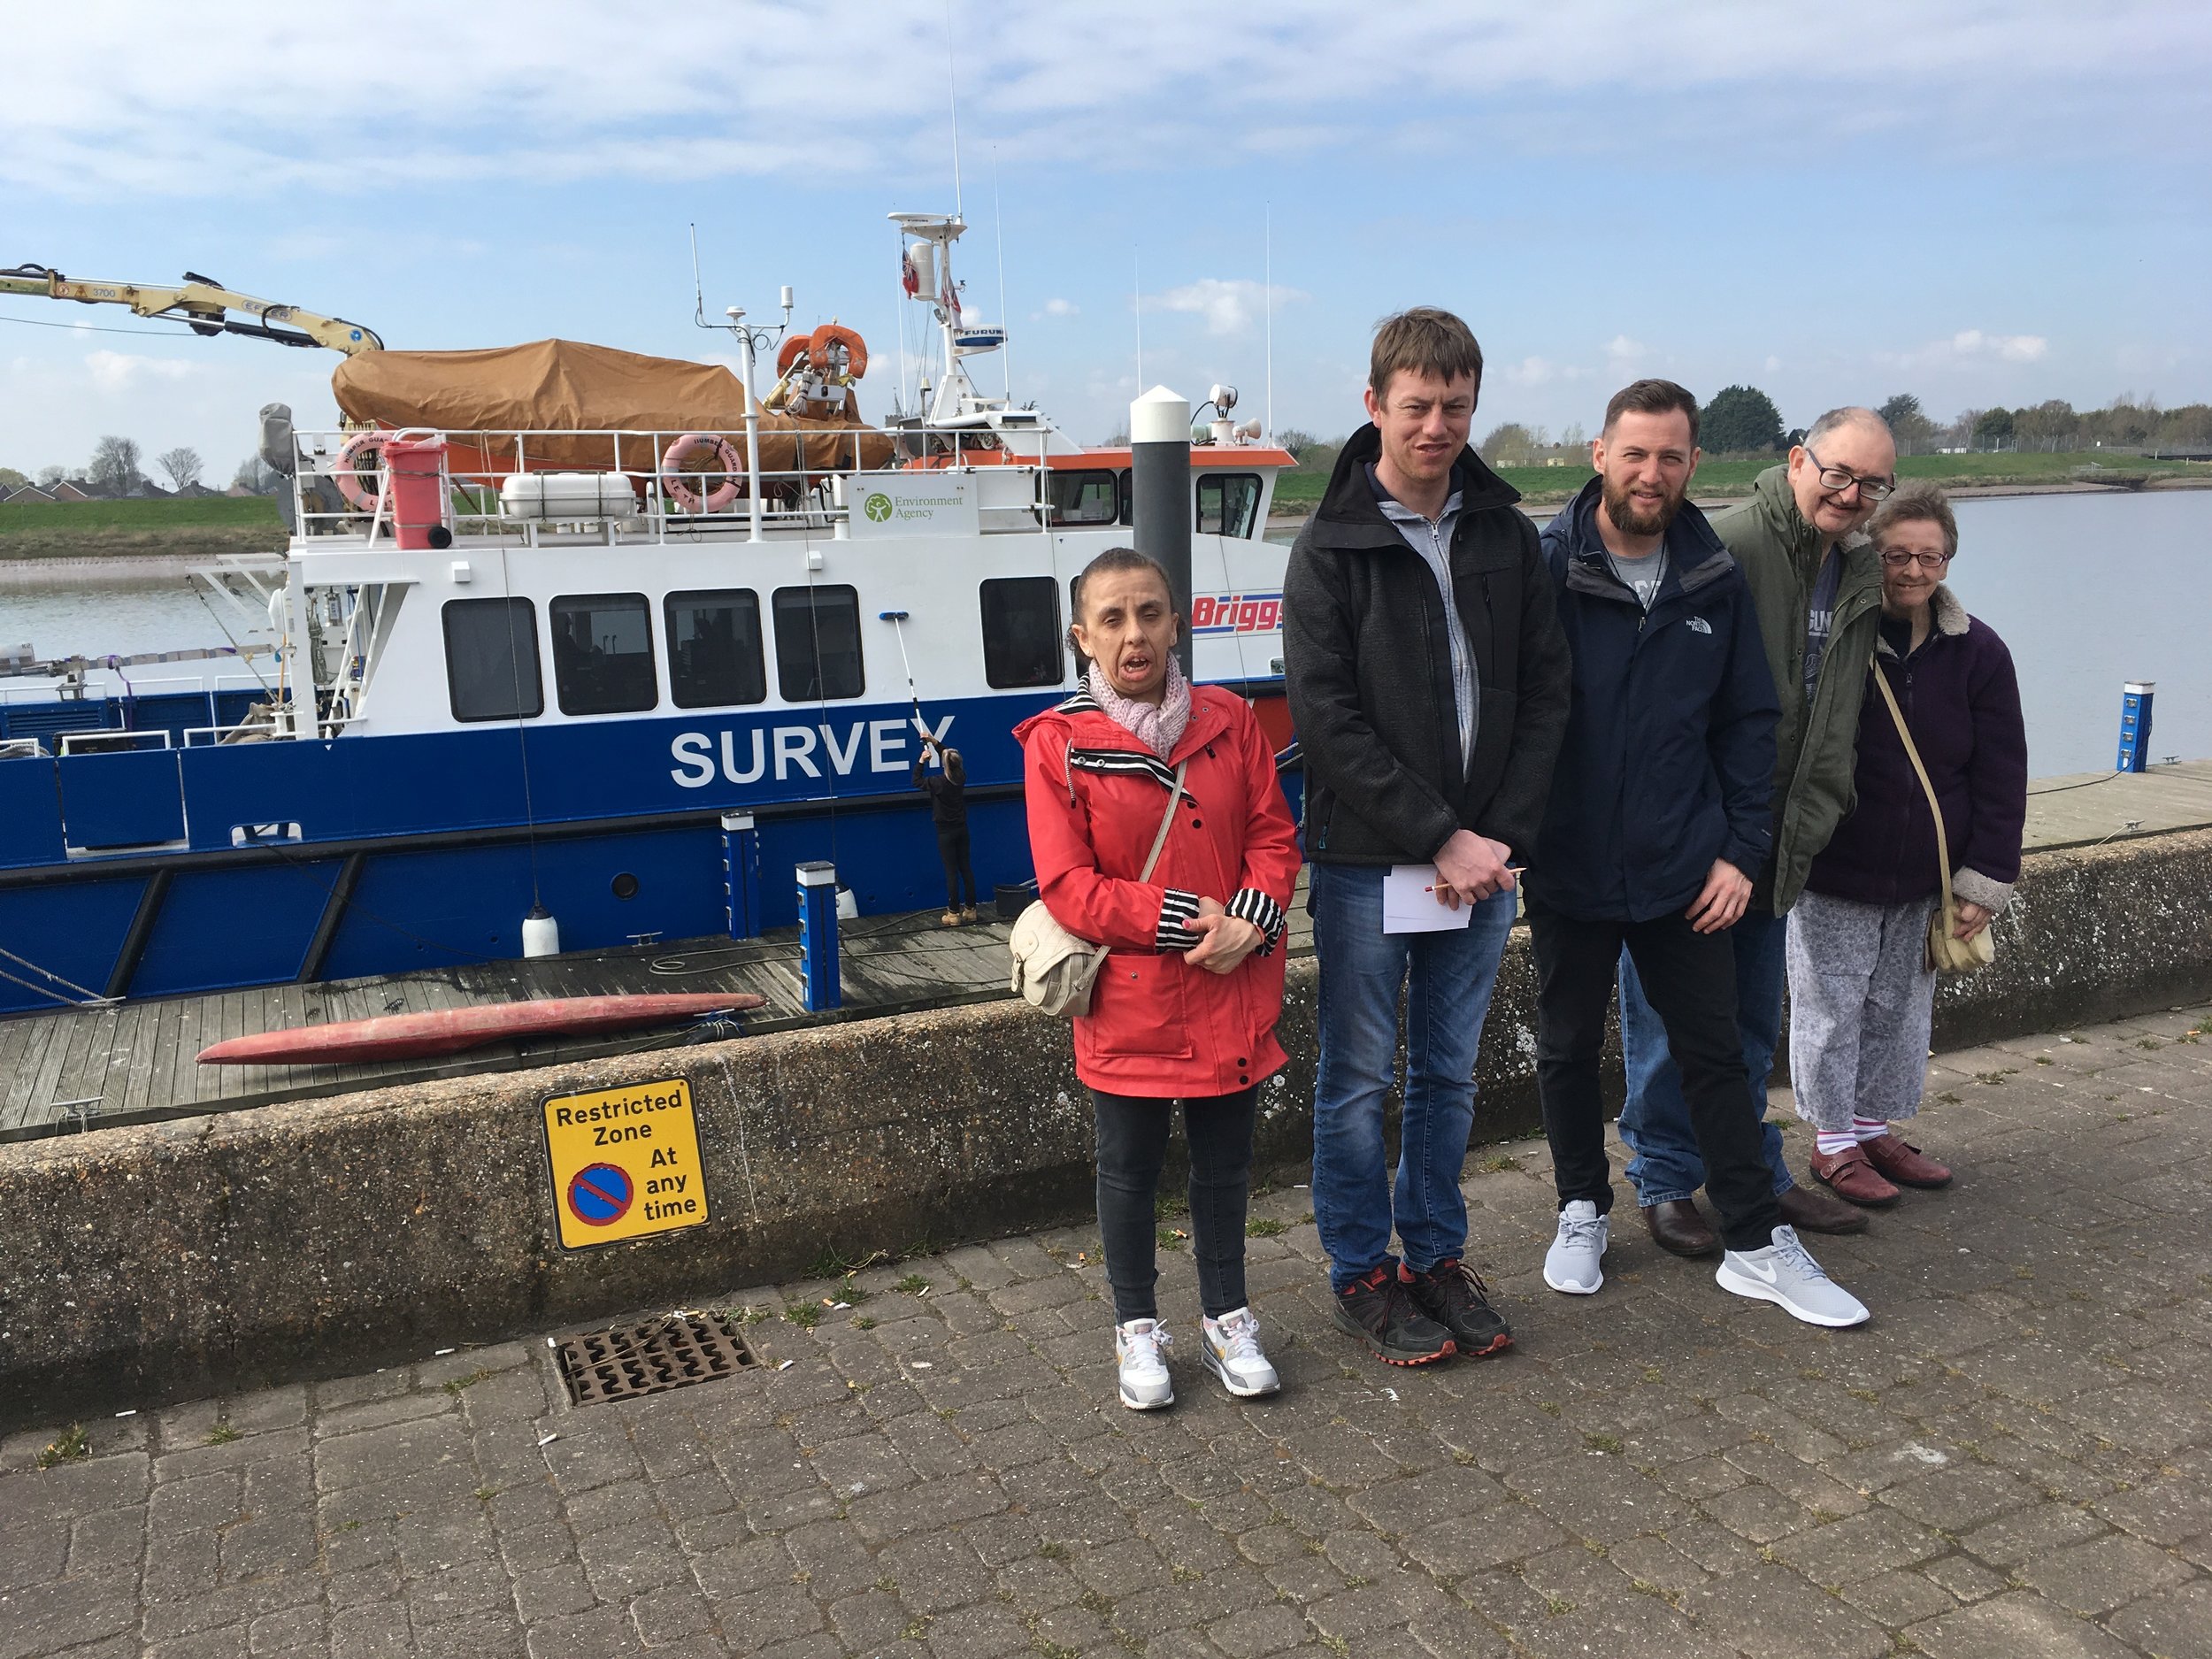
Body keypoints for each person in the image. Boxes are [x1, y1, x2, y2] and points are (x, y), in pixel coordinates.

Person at [1529, 378, 1868, 1327]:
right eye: (1634, 453)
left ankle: (1755, 1245)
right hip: (1570, 866)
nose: (1651, 472)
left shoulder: (1710, 572)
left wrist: (1737, 853)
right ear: (1599, 455)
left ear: (1693, 465)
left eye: (1670, 456)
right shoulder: (1543, 569)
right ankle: (1581, 1208)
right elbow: (1513, 716)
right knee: (1564, 1049)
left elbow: (1748, 723)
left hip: (1687, 868)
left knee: (1716, 1055)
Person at [1284, 308, 1571, 1366]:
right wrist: (1438, 835)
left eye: (1456, 406)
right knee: (1359, 1076)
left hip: (1484, 860)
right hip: (1370, 863)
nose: (1437, 426)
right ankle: (1362, 1270)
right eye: (1417, 406)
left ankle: (1436, 1257)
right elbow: (1326, 721)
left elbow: (1546, 692)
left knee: (1449, 1074)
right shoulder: (1327, 550)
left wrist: (1494, 838)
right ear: (1374, 406)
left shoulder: (1502, 535)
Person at [1014, 548, 1302, 1409]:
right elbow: (1068, 888)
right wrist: (1189, 925)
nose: (1133, 634)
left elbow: (1272, 836)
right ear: (1082, 637)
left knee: (1224, 1169)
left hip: (1229, 986)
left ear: (1178, 623)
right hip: (1133, 1002)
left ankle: (1226, 1316)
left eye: (1149, 613)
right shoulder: (1057, 745)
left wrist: (1249, 919)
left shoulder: (1230, 719)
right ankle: (1136, 1326)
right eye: (1112, 618)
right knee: (1128, 1171)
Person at [1616, 407, 1896, 1256]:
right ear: (1797, 459)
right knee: (1669, 1020)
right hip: (1700, 837)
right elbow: (1666, 704)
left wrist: (1824, 805)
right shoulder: (1728, 546)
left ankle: (1755, 1171)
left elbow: (1838, 701)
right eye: (1838, 473)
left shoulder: (1857, 567)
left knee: (1747, 1021)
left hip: (1782, 833)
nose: (1851, 495)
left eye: (1872, 484)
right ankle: (1665, 1180)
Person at [1787, 484, 2026, 1202]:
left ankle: (1869, 1127)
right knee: (1829, 1006)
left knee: (1898, 1007)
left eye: (1930, 556)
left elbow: (2002, 769)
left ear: (1948, 561)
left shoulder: (1979, 650)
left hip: (1927, 872)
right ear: (1871, 552)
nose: (1913, 570)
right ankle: (1832, 1142)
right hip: (1837, 865)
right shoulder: (1837, 639)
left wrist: (1985, 877)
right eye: (1898, 554)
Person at [913, 735, 979, 926]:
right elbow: (949, 757)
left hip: (945, 832)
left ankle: (953, 913)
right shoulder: (960, 777)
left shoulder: (937, 782)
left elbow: (916, 781)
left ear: (944, 764)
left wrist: (921, 761)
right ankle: (971, 910)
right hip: (962, 829)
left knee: (951, 871)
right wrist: (934, 741)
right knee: (966, 868)